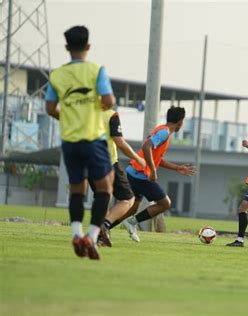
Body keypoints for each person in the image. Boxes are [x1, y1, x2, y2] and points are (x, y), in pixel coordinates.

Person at [45, 25, 114, 260]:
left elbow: (50, 109)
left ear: (67, 47)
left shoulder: (57, 75)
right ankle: (92, 237)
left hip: (69, 141)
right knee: (105, 188)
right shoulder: (96, 71)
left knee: (77, 189)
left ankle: (76, 233)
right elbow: (108, 100)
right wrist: (93, 110)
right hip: (93, 138)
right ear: (88, 47)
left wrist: (69, 115)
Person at [121, 106, 195, 242]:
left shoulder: (162, 129)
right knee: (165, 203)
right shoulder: (164, 133)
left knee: (131, 207)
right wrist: (153, 171)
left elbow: (157, 159)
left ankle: (105, 227)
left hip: (134, 171)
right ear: (180, 122)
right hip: (141, 174)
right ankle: (131, 222)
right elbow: (146, 146)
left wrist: (177, 168)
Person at [89, 108, 146, 247]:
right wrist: (137, 158)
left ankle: (97, 237)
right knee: (128, 199)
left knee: (102, 199)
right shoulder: (111, 114)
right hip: (107, 163)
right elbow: (119, 142)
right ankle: (105, 226)